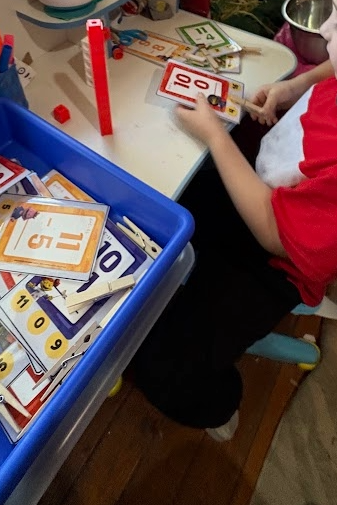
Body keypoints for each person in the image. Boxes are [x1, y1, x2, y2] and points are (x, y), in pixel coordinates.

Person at [133, 7, 337, 442]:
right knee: (158, 212)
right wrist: (296, 85)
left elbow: (273, 232)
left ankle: (217, 405)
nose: (324, 31)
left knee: (167, 371)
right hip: (274, 192)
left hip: (280, 258)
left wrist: (215, 136)